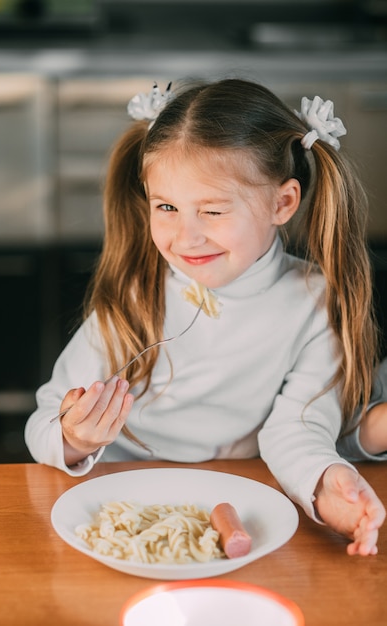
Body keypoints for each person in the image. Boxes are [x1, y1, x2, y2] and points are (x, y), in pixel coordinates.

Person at [25, 78, 387, 556]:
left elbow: (299, 426)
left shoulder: (316, 302)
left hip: (241, 498)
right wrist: (72, 436)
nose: (185, 237)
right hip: (120, 501)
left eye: (212, 211)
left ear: (283, 203)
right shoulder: (138, 294)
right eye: (167, 207)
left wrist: (326, 484)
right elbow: (42, 423)